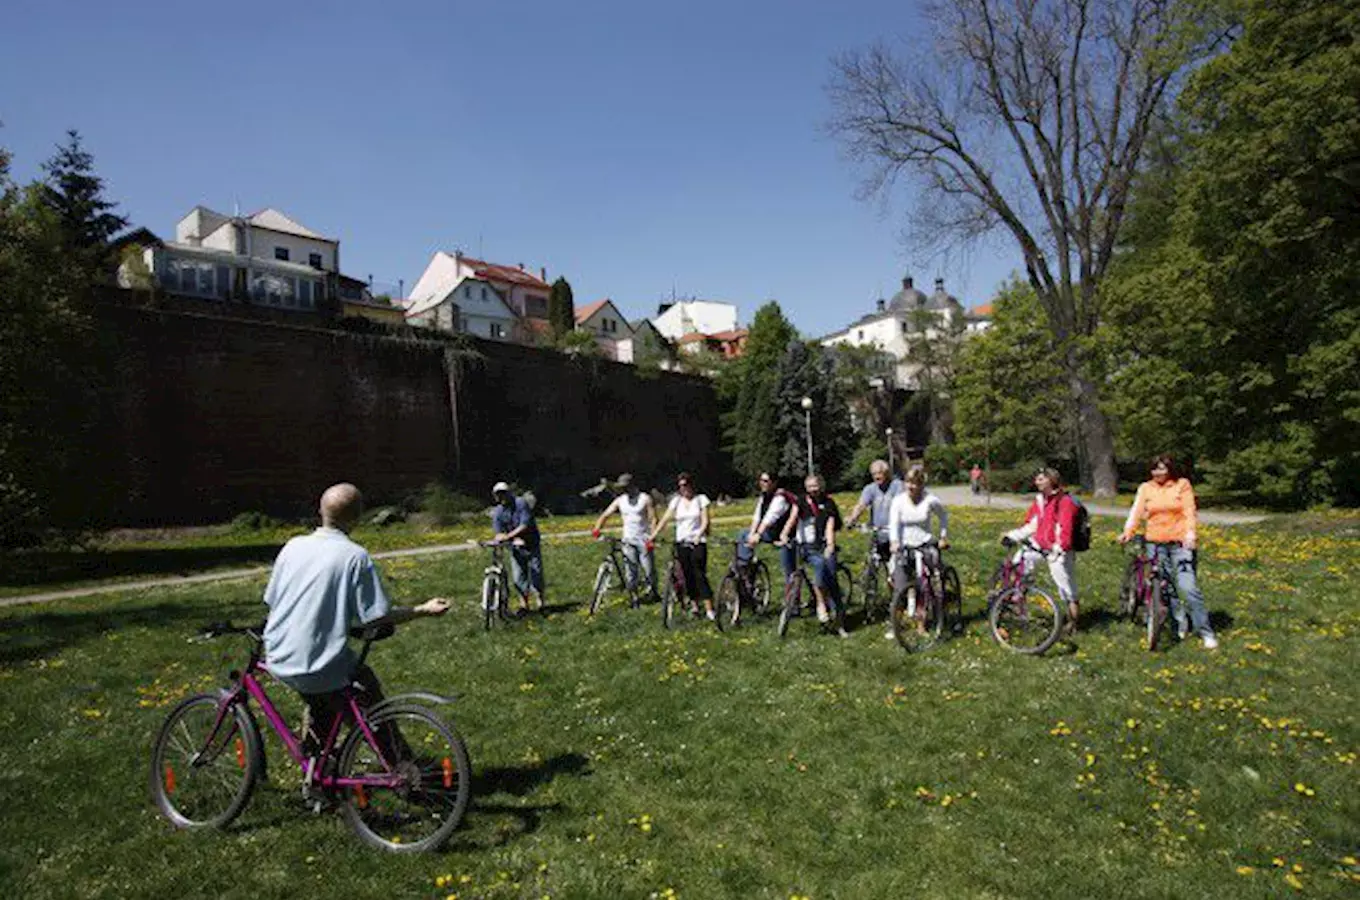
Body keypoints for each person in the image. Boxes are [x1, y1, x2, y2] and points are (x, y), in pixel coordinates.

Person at [262, 483, 449, 757]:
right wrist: (423, 609)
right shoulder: (355, 557)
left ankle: (316, 765)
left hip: (278, 658)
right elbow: (376, 617)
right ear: (358, 517)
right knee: (364, 692)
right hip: (320, 666)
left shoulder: (292, 547)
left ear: (320, 510)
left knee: (321, 699)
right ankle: (402, 768)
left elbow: (272, 599)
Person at [1119, 454, 1218, 649]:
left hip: (1180, 543)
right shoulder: (1146, 488)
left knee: (1188, 587)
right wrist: (1127, 532)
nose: (1158, 473)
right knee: (1165, 587)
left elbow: (1189, 511)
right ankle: (1178, 623)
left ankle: (1205, 631)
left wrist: (1190, 534)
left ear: (1170, 470)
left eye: (1162, 468)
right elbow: (1137, 511)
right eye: (1155, 469)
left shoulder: (1182, 485)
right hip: (1155, 543)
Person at [1000, 467, 1080, 634]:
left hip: (1059, 549)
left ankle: (1073, 622)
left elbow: (1065, 528)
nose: (1037, 482)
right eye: (1037, 479)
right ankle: (1016, 601)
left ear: (1052, 480)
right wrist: (1013, 536)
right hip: (1039, 545)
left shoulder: (1065, 501)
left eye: (1041, 479)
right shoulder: (1040, 500)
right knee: (1018, 565)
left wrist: (1059, 549)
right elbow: (1032, 525)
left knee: (1065, 586)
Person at [779, 473, 847, 637]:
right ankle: (816, 603)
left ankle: (836, 618)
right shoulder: (801, 501)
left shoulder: (828, 503)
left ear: (821, 486)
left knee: (830, 578)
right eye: (809, 487)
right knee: (816, 566)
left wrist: (830, 545)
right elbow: (793, 518)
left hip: (822, 545)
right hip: (805, 547)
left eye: (815, 486)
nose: (813, 490)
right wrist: (784, 534)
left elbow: (830, 525)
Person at [887, 466, 950, 639]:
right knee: (899, 586)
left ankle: (922, 624)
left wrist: (943, 536)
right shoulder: (898, 501)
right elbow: (893, 522)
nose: (910, 487)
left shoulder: (930, 500)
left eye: (914, 483)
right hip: (904, 546)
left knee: (924, 587)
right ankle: (896, 625)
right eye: (908, 482)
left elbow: (944, 516)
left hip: (924, 545)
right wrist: (894, 541)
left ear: (922, 484)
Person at [649, 472, 716, 619]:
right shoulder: (676, 502)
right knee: (687, 575)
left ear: (692, 485)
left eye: (686, 485)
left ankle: (710, 609)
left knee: (699, 575)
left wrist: (699, 535)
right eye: (680, 486)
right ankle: (695, 606)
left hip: (698, 543)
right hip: (682, 542)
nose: (683, 489)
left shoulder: (701, 500)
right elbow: (665, 519)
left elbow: (705, 520)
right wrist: (653, 536)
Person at [592, 473, 658, 602]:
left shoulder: (645, 498)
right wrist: (597, 528)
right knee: (630, 571)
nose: (623, 490)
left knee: (648, 569)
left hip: (644, 539)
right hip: (628, 540)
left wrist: (652, 536)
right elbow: (606, 514)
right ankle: (634, 596)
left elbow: (653, 518)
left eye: (625, 487)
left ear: (632, 486)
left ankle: (653, 593)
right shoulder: (620, 500)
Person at [490, 481, 545, 615]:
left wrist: (508, 536)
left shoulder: (520, 503)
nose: (502, 497)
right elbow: (498, 531)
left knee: (536, 574)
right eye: (498, 495)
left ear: (509, 493)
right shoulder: (498, 511)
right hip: (514, 547)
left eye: (504, 493)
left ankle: (540, 602)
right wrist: (500, 538)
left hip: (531, 543)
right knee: (518, 577)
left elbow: (524, 525)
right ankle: (524, 605)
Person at [738, 472, 798, 580]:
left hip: (784, 535)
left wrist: (758, 534)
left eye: (765, 481)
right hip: (770, 532)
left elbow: (769, 518)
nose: (762, 483)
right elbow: (757, 517)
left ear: (774, 483)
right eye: (761, 480)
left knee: (788, 570)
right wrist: (752, 533)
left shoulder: (780, 498)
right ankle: (745, 569)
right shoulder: (764, 496)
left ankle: (791, 592)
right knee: (743, 534)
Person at [846, 459, 904, 564]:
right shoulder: (870, 489)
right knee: (874, 560)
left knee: (898, 564)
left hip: (896, 531)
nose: (877, 477)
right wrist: (852, 519)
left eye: (880, 473)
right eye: (874, 474)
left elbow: (901, 505)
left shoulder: (897, 486)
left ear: (887, 473)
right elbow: (861, 505)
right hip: (878, 532)